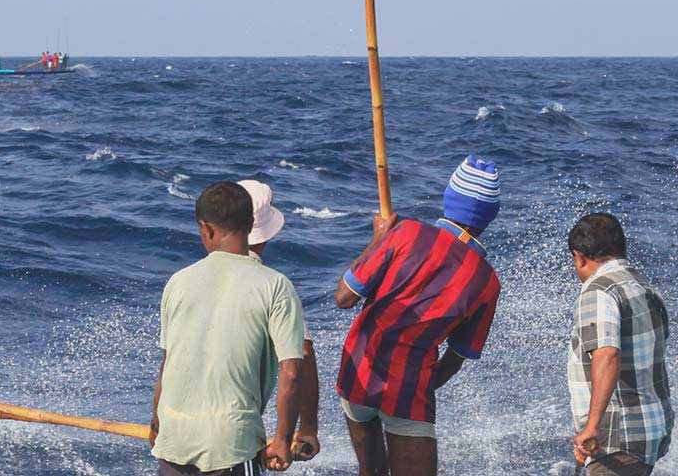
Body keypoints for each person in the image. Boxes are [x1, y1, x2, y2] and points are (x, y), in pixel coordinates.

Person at [333, 155, 503, 476]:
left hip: (357, 373)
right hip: (409, 389)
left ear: (449, 199)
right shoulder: (487, 282)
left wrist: (378, 239)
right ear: (489, 216)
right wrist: (417, 385)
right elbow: (455, 358)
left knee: (370, 472)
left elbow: (344, 297)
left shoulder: (404, 233)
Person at [152, 182, 306, 475]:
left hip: (174, 438)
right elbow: (292, 372)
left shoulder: (177, 282)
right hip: (232, 443)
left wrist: (157, 425)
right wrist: (283, 440)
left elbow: (167, 364)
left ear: (205, 228)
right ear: (250, 225)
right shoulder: (275, 286)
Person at [565, 213, 673, 476]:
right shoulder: (645, 288)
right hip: (650, 429)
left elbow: (607, 354)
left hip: (617, 437)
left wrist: (592, 426)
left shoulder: (598, 291)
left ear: (579, 257)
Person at [236, 179, 321, 463]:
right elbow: (301, 357)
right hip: (234, 437)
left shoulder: (184, 281)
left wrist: (159, 422)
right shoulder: (275, 287)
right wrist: (305, 430)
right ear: (266, 234)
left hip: (177, 432)